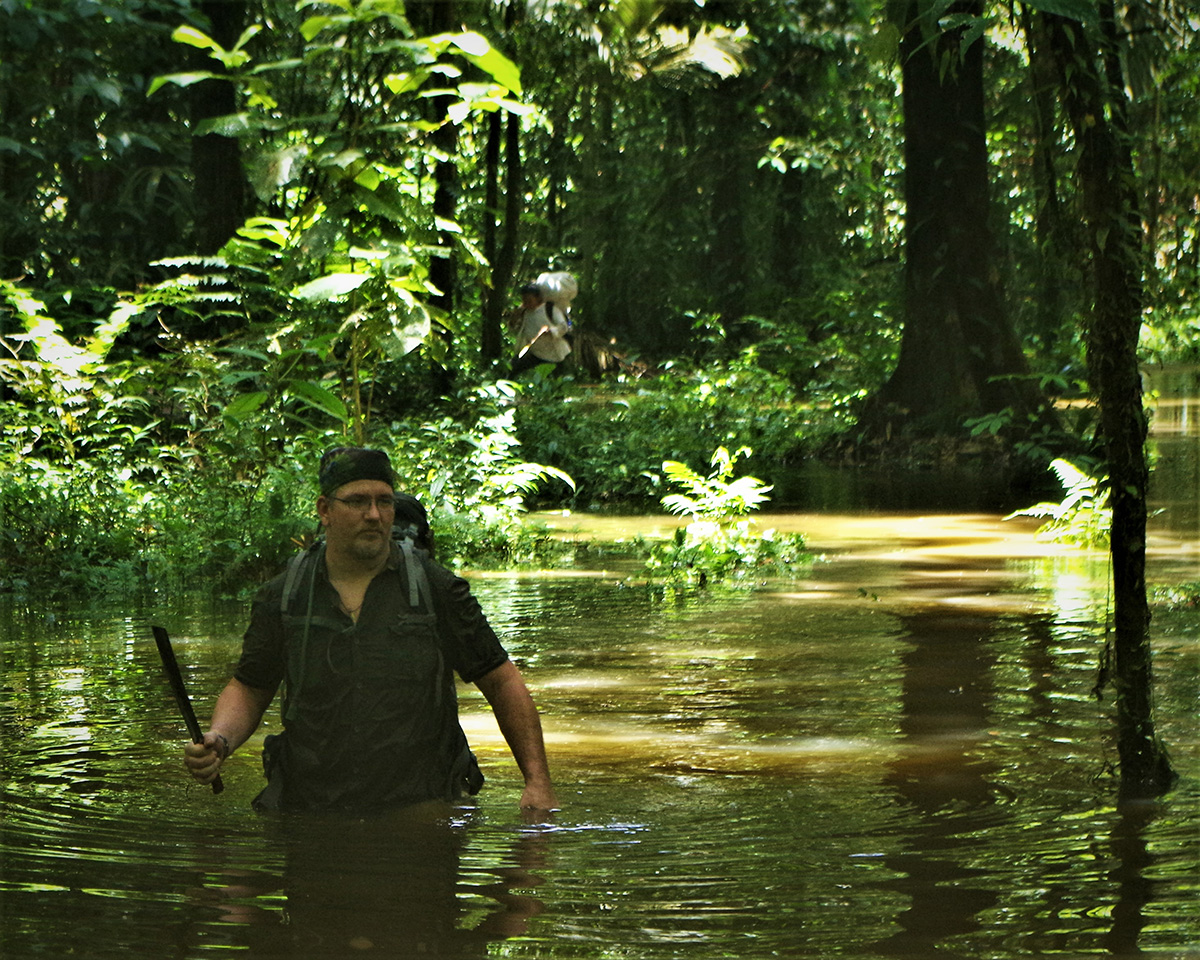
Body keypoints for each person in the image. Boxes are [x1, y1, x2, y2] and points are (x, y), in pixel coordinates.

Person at [183, 447, 558, 815]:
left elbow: (501, 681)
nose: (375, 515)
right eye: (358, 501)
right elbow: (250, 687)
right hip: (312, 804)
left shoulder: (434, 588)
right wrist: (221, 739)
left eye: (385, 501)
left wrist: (537, 783)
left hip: (422, 805)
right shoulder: (286, 596)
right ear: (325, 510)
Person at [509, 281, 571, 377]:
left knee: (555, 382)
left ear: (538, 298)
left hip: (555, 354)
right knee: (512, 369)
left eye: (529, 300)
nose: (526, 303)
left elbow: (563, 326)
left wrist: (551, 331)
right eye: (524, 300)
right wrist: (515, 317)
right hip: (535, 353)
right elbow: (516, 328)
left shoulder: (549, 309)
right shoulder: (524, 312)